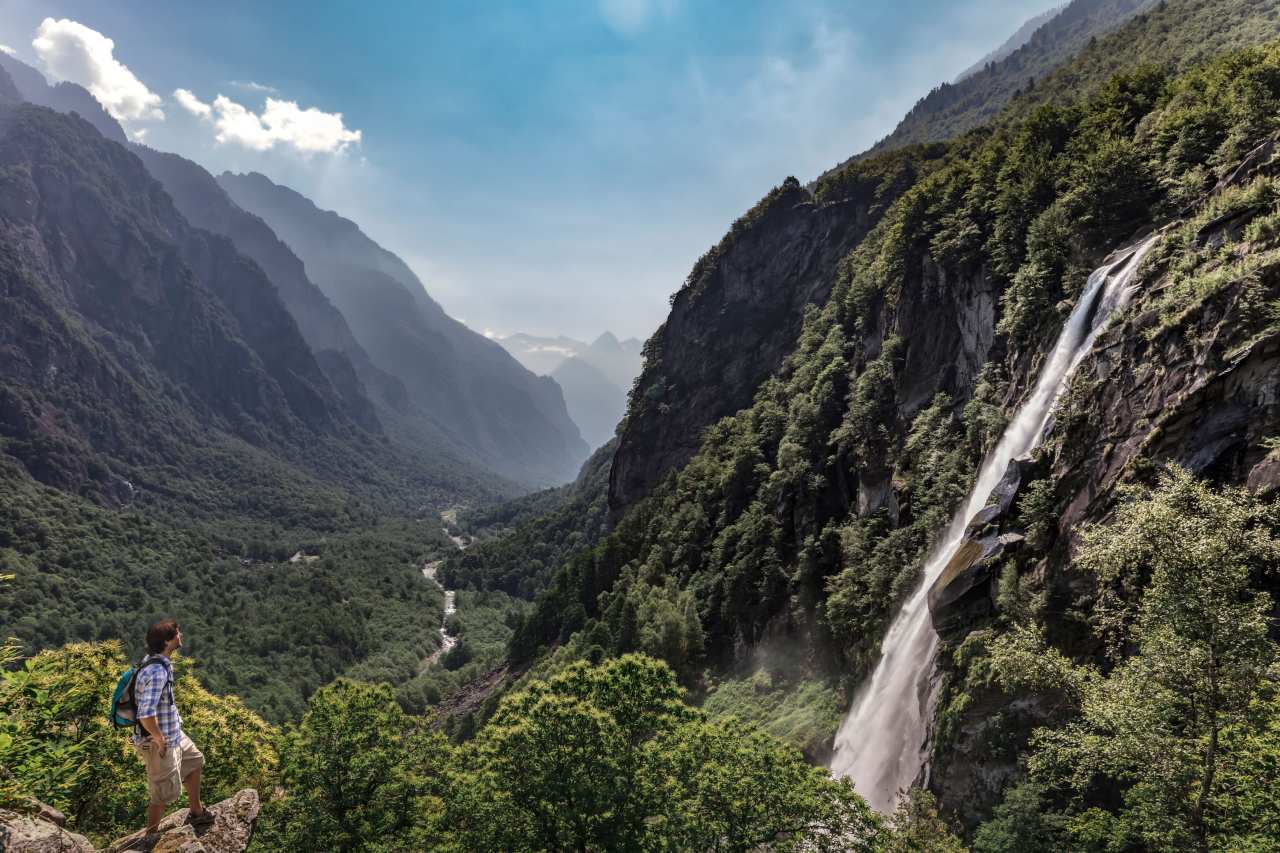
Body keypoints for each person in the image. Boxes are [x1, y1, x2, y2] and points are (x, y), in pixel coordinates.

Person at [132, 618, 214, 834]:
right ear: (168, 641)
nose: (181, 635)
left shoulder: (155, 661)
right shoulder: (157, 672)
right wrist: (159, 739)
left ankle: (196, 811)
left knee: (195, 761)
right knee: (162, 793)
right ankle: (151, 837)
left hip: (173, 733)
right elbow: (145, 714)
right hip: (159, 740)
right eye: (178, 633)